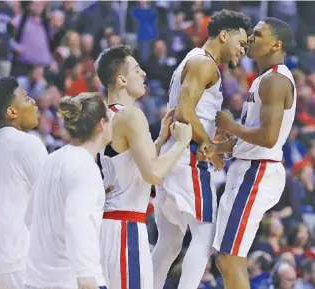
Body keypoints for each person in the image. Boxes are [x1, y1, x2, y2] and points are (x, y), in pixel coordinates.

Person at [151, 9, 252, 289]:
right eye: (241, 42)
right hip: (188, 158)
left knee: (170, 243)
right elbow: (185, 111)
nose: (243, 50)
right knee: (206, 234)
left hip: (175, 155)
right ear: (223, 35)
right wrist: (211, 147)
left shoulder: (194, 60)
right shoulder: (204, 64)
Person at [203, 18, 296, 289]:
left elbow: (267, 138)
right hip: (249, 167)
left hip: (258, 171)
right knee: (228, 258)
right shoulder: (263, 79)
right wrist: (219, 147)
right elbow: (254, 136)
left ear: (276, 44)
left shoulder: (276, 80)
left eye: (257, 34)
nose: (250, 38)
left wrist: (231, 125)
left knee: (229, 259)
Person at [95, 45, 192, 289]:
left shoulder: (103, 115)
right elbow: (153, 174)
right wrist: (181, 143)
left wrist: (158, 141)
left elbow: (129, 166)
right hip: (125, 227)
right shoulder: (131, 115)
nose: (144, 74)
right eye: (137, 70)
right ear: (122, 79)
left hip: (105, 226)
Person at [24, 93, 111, 289]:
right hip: (73, 281)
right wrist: (86, 276)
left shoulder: (52, 159)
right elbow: (78, 221)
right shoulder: (85, 167)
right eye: (109, 117)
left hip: (36, 281)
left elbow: (29, 218)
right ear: (100, 124)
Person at [0, 77, 48, 289]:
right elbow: (51, 200)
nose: (34, 102)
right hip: (17, 261)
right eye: (26, 98)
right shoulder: (29, 143)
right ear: (12, 112)